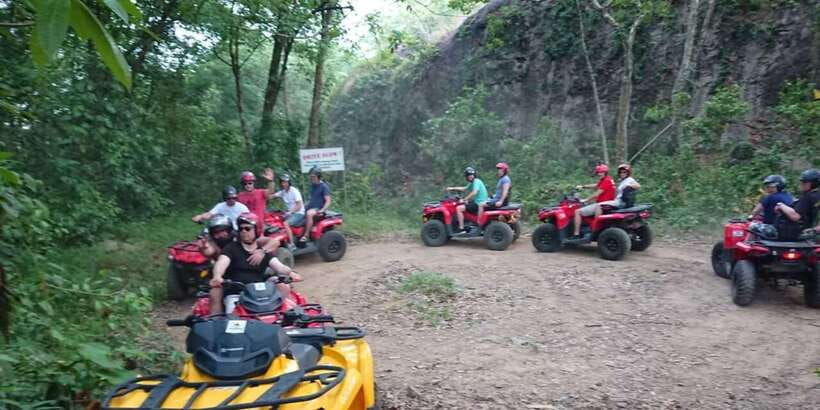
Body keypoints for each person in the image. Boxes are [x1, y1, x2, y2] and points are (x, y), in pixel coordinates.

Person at [208, 213, 302, 314]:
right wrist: (217, 276)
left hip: (261, 293)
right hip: (236, 293)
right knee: (231, 319)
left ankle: (290, 317)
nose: (244, 232)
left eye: (247, 229)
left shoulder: (263, 252)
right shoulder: (231, 248)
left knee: (284, 285)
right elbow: (222, 262)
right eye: (241, 229)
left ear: (256, 230)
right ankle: (215, 321)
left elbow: (280, 267)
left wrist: (291, 273)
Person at [197, 214, 279, 264]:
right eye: (216, 232)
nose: (219, 234)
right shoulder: (212, 242)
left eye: (222, 231)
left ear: (229, 229)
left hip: (249, 268)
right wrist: (203, 248)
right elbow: (209, 251)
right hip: (226, 273)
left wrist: (262, 251)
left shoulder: (241, 236)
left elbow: (274, 242)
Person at [571, 164, 616, 238]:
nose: (599, 174)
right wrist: (583, 186)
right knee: (588, 206)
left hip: (602, 204)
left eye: (601, 172)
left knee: (577, 212)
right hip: (608, 203)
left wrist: (585, 200)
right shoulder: (608, 179)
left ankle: (576, 234)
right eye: (598, 173)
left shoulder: (606, 181)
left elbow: (596, 194)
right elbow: (596, 185)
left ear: (605, 172)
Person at [774, 169, 820, 240]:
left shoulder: (808, 196)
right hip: (806, 232)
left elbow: (795, 216)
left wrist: (781, 205)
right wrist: (815, 229)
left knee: (756, 229)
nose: (801, 184)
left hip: (792, 233)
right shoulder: (817, 196)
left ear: (813, 183)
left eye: (804, 182)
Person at [446, 166, 488, 233]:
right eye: (468, 175)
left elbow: (474, 192)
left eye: (471, 175)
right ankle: (468, 223)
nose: (470, 176)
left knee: (458, 208)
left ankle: (461, 228)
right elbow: (464, 188)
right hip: (478, 202)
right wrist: (452, 188)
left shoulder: (476, 181)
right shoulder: (473, 182)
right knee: (465, 203)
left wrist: (464, 199)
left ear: (474, 175)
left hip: (479, 203)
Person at [270, 172, 305, 249]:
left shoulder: (294, 191)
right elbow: (271, 196)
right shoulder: (283, 192)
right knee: (275, 221)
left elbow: (299, 205)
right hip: (290, 213)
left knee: (286, 224)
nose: (283, 184)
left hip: (298, 213)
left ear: (289, 182)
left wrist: (290, 212)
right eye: (282, 182)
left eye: (285, 182)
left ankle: (292, 245)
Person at [237, 169, 277, 236]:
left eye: (250, 183)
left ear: (253, 183)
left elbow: (271, 191)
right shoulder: (239, 196)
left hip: (259, 227)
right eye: (245, 183)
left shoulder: (260, 192)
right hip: (245, 228)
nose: (247, 185)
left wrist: (271, 181)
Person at [301, 166, 332, 243]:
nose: (311, 178)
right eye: (310, 176)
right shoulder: (312, 186)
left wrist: (322, 210)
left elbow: (328, 201)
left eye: (313, 177)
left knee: (309, 214)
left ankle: (306, 235)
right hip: (311, 207)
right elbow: (311, 199)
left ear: (318, 177)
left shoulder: (324, 187)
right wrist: (303, 206)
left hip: (318, 208)